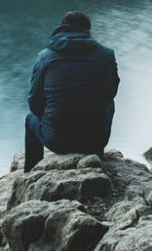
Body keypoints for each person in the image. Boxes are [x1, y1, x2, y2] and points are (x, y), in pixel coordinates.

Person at [24, 11, 119, 172]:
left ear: (62, 29)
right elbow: (111, 93)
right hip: (95, 141)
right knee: (109, 103)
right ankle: (96, 156)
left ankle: (32, 172)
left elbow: (34, 103)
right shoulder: (106, 55)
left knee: (30, 118)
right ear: (88, 31)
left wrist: (51, 114)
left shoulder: (44, 57)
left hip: (58, 142)